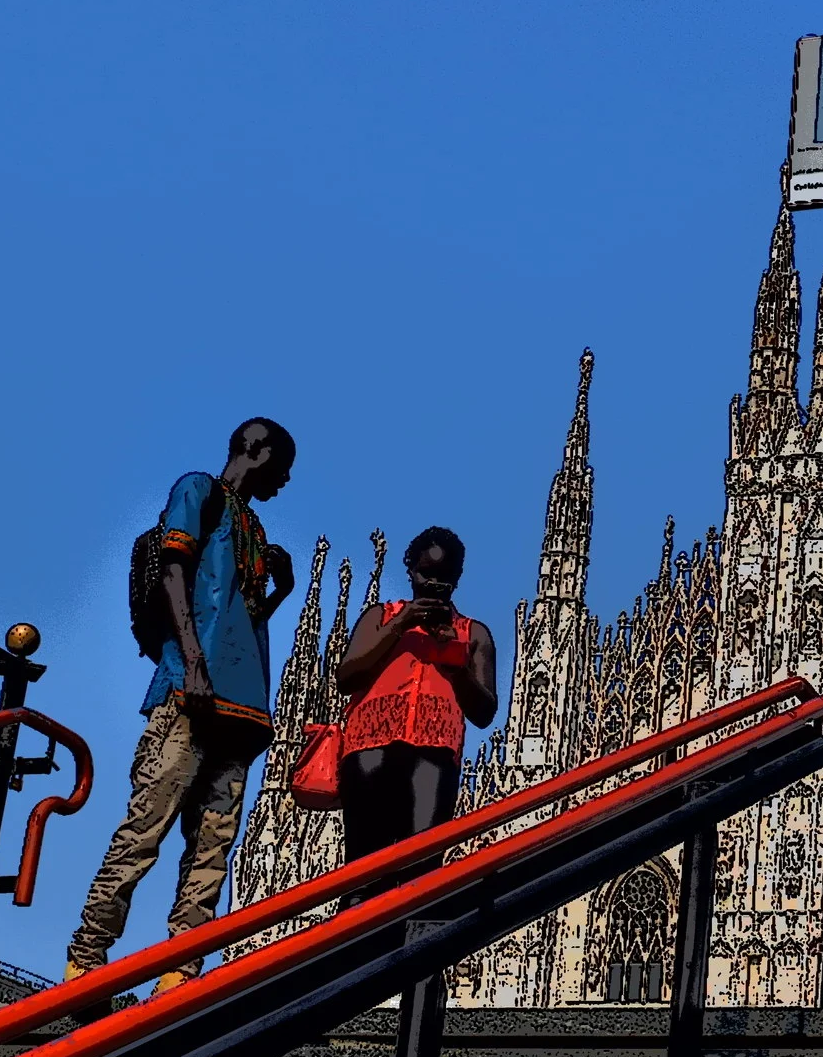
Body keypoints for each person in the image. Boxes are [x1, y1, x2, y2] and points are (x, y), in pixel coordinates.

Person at [67, 419, 297, 992]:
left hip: (242, 712)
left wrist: (282, 591)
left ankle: (181, 968)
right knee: (147, 824)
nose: (285, 481)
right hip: (189, 693)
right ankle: (87, 955)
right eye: (282, 466)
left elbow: (239, 621)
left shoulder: (253, 524)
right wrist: (191, 661)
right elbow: (175, 573)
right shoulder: (199, 491)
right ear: (256, 450)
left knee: (213, 844)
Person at [335, 525, 499, 880]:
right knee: (363, 872)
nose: (433, 585)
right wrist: (401, 624)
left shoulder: (473, 634)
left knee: (419, 873)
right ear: (410, 570)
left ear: (456, 579)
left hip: (434, 758)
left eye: (444, 578)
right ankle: (356, 935)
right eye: (426, 574)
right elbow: (346, 676)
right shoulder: (381, 617)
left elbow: (484, 712)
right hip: (369, 753)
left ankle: (409, 937)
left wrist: (453, 659)